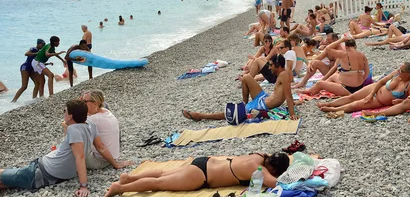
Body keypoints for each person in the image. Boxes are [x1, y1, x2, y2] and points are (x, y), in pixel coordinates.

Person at [0, 100, 130, 195]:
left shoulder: (73, 129)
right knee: (6, 181)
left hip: (42, 172)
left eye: (65, 111)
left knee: (6, 176)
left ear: (70, 116)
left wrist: (83, 186)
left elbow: (80, 157)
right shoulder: (90, 123)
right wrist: (115, 164)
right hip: (51, 170)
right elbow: (101, 147)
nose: (63, 114)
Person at [103, 152, 289, 197]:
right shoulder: (261, 171)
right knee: (158, 184)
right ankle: (121, 187)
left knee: (163, 173)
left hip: (204, 161)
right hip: (202, 175)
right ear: (273, 169)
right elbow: (278, 184)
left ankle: (130, 177)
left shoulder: (258, 156)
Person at [182, 54, 298, 121]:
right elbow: (286, 94)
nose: (270, 67)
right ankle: (244, 105)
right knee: (247, 77)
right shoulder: (283, 73)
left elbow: (288, 95)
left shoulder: (283, 75)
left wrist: (292, 114)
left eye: (271, 65)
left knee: (230, 113)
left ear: (277, 66)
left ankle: (201, 116)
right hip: (264, 98)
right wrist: (294, 103)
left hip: (262, 105)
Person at [318, 62, 410, 113]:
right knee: (352, 97)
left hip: (380, 101)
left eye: (401, 70)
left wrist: (400, 102)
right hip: (375, 88)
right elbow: (381, 82)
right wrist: (371, 94)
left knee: (355, 105)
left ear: (407, 75)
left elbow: (409, 101)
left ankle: (334, 109)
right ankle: (330, 103)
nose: (398, 71)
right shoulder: (396, 74)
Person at [297, 36, 369, 97]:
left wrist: (341, 40)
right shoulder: (362, 55)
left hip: (347, 88)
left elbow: (328, 49)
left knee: (320, 83)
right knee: (334, 76)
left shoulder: (342, 53)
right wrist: (360, 81)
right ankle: (318, 87)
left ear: (346, 46)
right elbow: (367, 72)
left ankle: (312, 90)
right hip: (359, 87)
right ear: (355, 46)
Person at [81, 90, 122, 170]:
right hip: (112, 157)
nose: (82, 104)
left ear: (95, 103)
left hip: (99, 161)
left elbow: (70, 121)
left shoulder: (93, 119)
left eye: (84, 101)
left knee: (74, 139)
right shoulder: (106, 111)